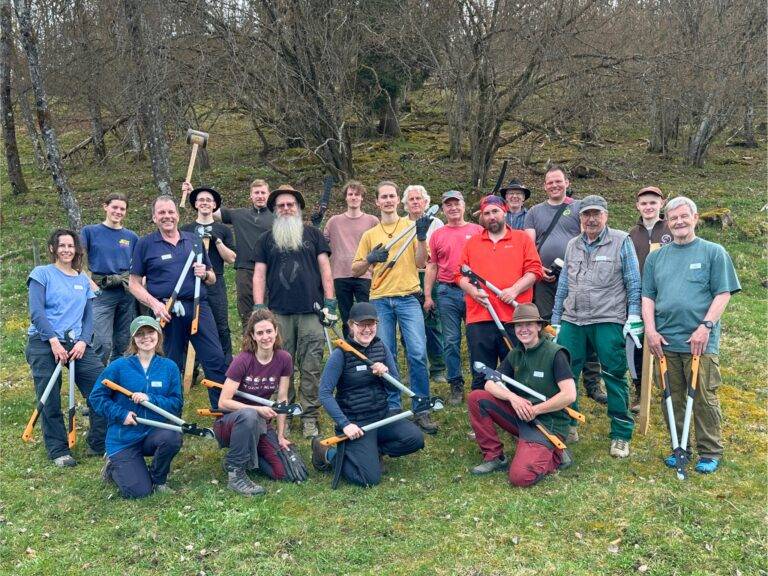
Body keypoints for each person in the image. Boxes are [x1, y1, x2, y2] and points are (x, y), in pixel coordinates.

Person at [642, 196, 740, 474]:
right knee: (671, 396)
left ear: (695, 218)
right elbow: (647, 296)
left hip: (700, 341)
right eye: (673, 218)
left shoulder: (713, 252)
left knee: (703, 396)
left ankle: (710, 451)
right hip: (665, 340)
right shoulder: (656, 257)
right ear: (667, 223)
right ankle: (679, 447)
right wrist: (651, 330)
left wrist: (705, 327)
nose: (679, 222)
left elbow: (723, 293)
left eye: (684, 216)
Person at [551, 195, 641, 458]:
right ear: (580, 218)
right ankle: (569, 423)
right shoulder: (572, 245)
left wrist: (633, 315)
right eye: (586, 215)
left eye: (596, 214)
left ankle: (621, 434)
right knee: (565, 373)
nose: (591, 219)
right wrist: (557, 319)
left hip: (607, 318)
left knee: (614, 374)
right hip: (573, 319)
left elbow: (633, 282)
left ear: (606, 216)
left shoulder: (621, 241)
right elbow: (564, 284)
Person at [351, 181, 438, 433]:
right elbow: (354, 269)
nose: (388, 200)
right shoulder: (370, 235)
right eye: (383, 197)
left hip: (408, 297)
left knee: (418, 352)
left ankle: (421, 406)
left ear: (397, 200)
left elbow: (422, 263)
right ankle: (393, 407)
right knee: (386, 355)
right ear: (377, 202)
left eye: (391, 196)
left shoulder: (410, 228)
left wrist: (421, 237)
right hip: (380, 300)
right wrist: (369, 259)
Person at [128, 195, 227, 409]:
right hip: (166, 311)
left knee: (215, 359)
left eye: (171, 212)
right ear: (154, 217)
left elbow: (212, 277)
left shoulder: (193, 240)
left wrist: (205, 274)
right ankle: (168, 412)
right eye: (161, 213)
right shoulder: (145, 244)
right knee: (169, 364)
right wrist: (155, 305)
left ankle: (222, 413)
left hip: (198, 308)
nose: (167, 216)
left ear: (178, 215)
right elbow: (134, 283)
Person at [253, 184, 336, 438]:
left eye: (290, 204)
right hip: (278, 313)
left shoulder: (313, 235)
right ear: (275, 211)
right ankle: (284, 413)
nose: (286, 208)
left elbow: (325, 269)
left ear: (298, 208)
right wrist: (259, 307)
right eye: (281, 205)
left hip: (312, 311)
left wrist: (330, 302)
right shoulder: (266, 240)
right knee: (280, 365)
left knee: (311, 364)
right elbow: (259, 274)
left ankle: (310, 415)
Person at [313, 302, 425, 487]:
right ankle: (326, 453)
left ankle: (372, 452)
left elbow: (394, 389)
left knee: (415, 439)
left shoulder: (382, 349)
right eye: (362, 325)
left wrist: (385, 375)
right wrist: (345, 424)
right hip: (356, 423)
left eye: (371, 324)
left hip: (382, 417)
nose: (367, 329)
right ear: (351, 325)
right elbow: (324, 393)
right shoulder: (340, 354)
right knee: (369, 479)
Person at [524, 166, 606, 406]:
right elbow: (529, 244)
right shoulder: (535, 212)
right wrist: (539, 269)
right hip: (544, 280)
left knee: (587, 324)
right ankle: (553, 377)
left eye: (558, 181)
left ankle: (593, 382)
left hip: (578, 277)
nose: (554, 186)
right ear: (544, 186)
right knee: (549, 327)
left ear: (567, 182)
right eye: (549, 182)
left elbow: (587, 237)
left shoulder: (580, 207)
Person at [467, 303, 576, 485]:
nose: (523, 329)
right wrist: (513, 398)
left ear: (538, 326)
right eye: (519, 325)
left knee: (520, 477)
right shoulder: (516, 354)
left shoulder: (555, 354)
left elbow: (569, 395)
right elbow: (490, 383)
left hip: (548, 423)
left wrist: (536, 410)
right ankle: (494, 457)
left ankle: (557, 455)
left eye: (528, 324)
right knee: (476, 398)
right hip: (522, 416)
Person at [25, 229, 107, 467]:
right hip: (44, 342)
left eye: (71, 246)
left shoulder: (82, 279)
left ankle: (98, 442)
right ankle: (58, 449)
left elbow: (89, 317)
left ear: (76, 250)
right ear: (52, 248)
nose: (67, 250)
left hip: (77, 344)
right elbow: (37, 312)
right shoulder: (42, 274)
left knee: (100, 389)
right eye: (62, 246)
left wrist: (83, 340)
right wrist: (52, 340)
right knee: (49, 397)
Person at [90, 316, 183, 498]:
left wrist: (151, 398)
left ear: (158, 335)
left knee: (173, 437)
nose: (146, 337)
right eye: (140, 334)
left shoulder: (169, 367)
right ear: (133, 339)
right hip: (123, 438)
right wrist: (121, 414)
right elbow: (97, 397)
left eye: (150, 332)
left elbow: (176, 403)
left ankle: (158, 480)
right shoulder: (119, 366)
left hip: (154, 433)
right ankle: (113, 466)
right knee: (139, 492)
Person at [457, 195, 542, 392]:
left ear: (504, 212)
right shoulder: (473, 243)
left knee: (516, 372)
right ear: (482, 217)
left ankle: (515, 413)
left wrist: (514, 290)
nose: (491, 216)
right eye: (487, 213)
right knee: (481, 371)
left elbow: (535, 270)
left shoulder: (522, 239)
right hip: (480, 318)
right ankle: (481, 411)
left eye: (495, 211)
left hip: (514, 319)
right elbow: (458, 275)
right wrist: (473, 291)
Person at [214, 309, 293, 496]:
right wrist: (258, 409)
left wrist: (281, 436)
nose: (265, 337)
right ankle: (236, 473)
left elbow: (282, 399)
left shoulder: (284, 359)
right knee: (250, 415)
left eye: (268, 331)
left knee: (283, 473)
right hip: (231, 424)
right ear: (253, 336)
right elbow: (223, 402)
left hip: (260, 426)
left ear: (275, 331)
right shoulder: (243, 360)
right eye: (260, 333)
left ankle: (247, 455)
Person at [424, 190, 483, 404]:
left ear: (464, 205)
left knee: (477, 339)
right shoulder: (438, 235)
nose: (453, 208)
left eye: (456, 203)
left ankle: (480, 381)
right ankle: (455, 383)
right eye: (448, 205)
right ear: (444, 208)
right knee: (450, 340)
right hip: (446, 292)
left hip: (473, 291)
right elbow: (432, 266)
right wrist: (428, 295)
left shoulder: (477, 230)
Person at [627, 186, 672, 411]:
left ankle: (669, 391)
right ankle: (639, 390)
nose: (648, 207)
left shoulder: (671, 229)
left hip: (666, 298)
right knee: (637, 346)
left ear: (661, 204)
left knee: (666, 343)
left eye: (653, 203)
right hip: (638, 298)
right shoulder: (631, 235)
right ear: (638, 206)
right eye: (644, 203)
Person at [80, 193, 139, 364]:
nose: (118, 211)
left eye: (122, 209)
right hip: (101, 292)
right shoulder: (90, 232)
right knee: (102, 343)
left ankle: (116, 378)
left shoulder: (131, 237)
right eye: (115, 207)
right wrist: (89, 283)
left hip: (126, 293)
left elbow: (138, 266)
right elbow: (77, 260)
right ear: (105, 207)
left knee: (124, 342)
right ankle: (95, 379)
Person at [181, 186, 237, 363]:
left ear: (214, 206)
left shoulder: (223, 230)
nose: (205, 203)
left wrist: (217, 240)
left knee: (221, 324)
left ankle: (225, 364)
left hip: (216, 282)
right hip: (191, 281)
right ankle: (192, 367)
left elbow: (231, 258)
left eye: (209, 200)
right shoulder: (186, 230)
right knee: (190, 323)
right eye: (201, 200)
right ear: (196, 204)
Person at [209, 179, 274, 327]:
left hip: (270, 270)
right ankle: (249, 346)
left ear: (268, 195)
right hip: (245, 270)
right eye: (256, 193)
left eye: (263, 192)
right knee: (247, 314)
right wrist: (194, 194)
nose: (260, 196)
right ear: (250, 196)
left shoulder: (277, 217)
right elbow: (211, 212)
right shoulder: (239, 214)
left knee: (271, 313)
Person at [323, 180, 379, 338]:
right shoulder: (334, 221)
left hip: (365, 274)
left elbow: (380, 246)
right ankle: (349, 348)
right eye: (350, 194)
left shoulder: (372, 221)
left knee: (366, 314)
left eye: (357, 194)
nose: (354, 197)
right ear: (345, 198)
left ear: (362, 198)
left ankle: (369, 345)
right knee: (347, 315)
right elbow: (321, 244)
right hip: (341, 274)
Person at [402, 184, 447, 383]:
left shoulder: (436, 223)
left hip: (430, 275)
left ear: (426, 202)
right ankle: (414, 365)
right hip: (406, 276)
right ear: (405, 204)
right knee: (407, 325)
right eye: (411, 199)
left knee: (432, 322)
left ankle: (438, 367)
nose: (415, 202)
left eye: (418, 199)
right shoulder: (401, 224)